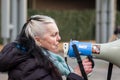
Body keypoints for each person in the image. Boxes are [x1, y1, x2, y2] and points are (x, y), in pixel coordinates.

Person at [0, 15, 93, 80]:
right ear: (38, 40)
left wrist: (79, 73)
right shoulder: (31, 67)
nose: (59, 38)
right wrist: (76, 75)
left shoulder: (40, 58)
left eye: (58, 34)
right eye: (53, 35)